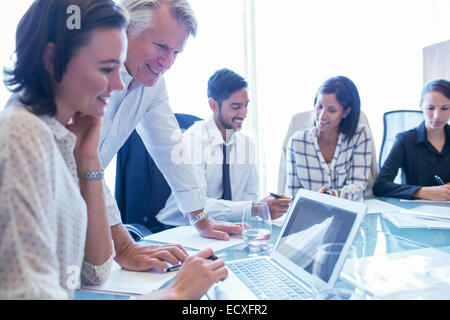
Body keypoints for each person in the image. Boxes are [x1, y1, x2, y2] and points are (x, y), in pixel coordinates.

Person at [0, 0, 227, 300]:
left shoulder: (69, 137)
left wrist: (88, 159)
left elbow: (93, 270)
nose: (119, 84)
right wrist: (174, 295)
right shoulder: (23, 138)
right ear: (53, 60)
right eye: (108, 68)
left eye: (176, 53)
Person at [100, 0, 241, 272]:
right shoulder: (86, 71)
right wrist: (125, 246)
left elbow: (170, 149)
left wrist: (200, 217)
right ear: (126, 30)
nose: (167, 63)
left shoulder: (153, 84)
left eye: (177, 52)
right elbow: (85, 168)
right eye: (161, 46)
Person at [156, 68, 291, 226]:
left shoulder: (247, 144)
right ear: (213, 105)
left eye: (245, 105)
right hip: (180, 229)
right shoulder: (192, 142)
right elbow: (196, 205)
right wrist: (254, 208)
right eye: (235, 107)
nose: (243, 113)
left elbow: (249, 199)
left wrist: (259, 207)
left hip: (227, 229)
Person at [284, 76, 373, 200]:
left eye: (331, 110)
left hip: (346, 212)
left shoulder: (360, 135)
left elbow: (357, 188)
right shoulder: (297, 142)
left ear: (346, 112)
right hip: (310, 213)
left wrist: (332, 195)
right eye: (319, 106)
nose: (322, 115)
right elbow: (292, 195)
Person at [373, 79, 450, 200]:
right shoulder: (405, 140)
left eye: (444, 108)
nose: (437, 116)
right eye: (430, 108)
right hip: (415, 212)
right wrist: (422, 192)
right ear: (421, 106)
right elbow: (380, 186)